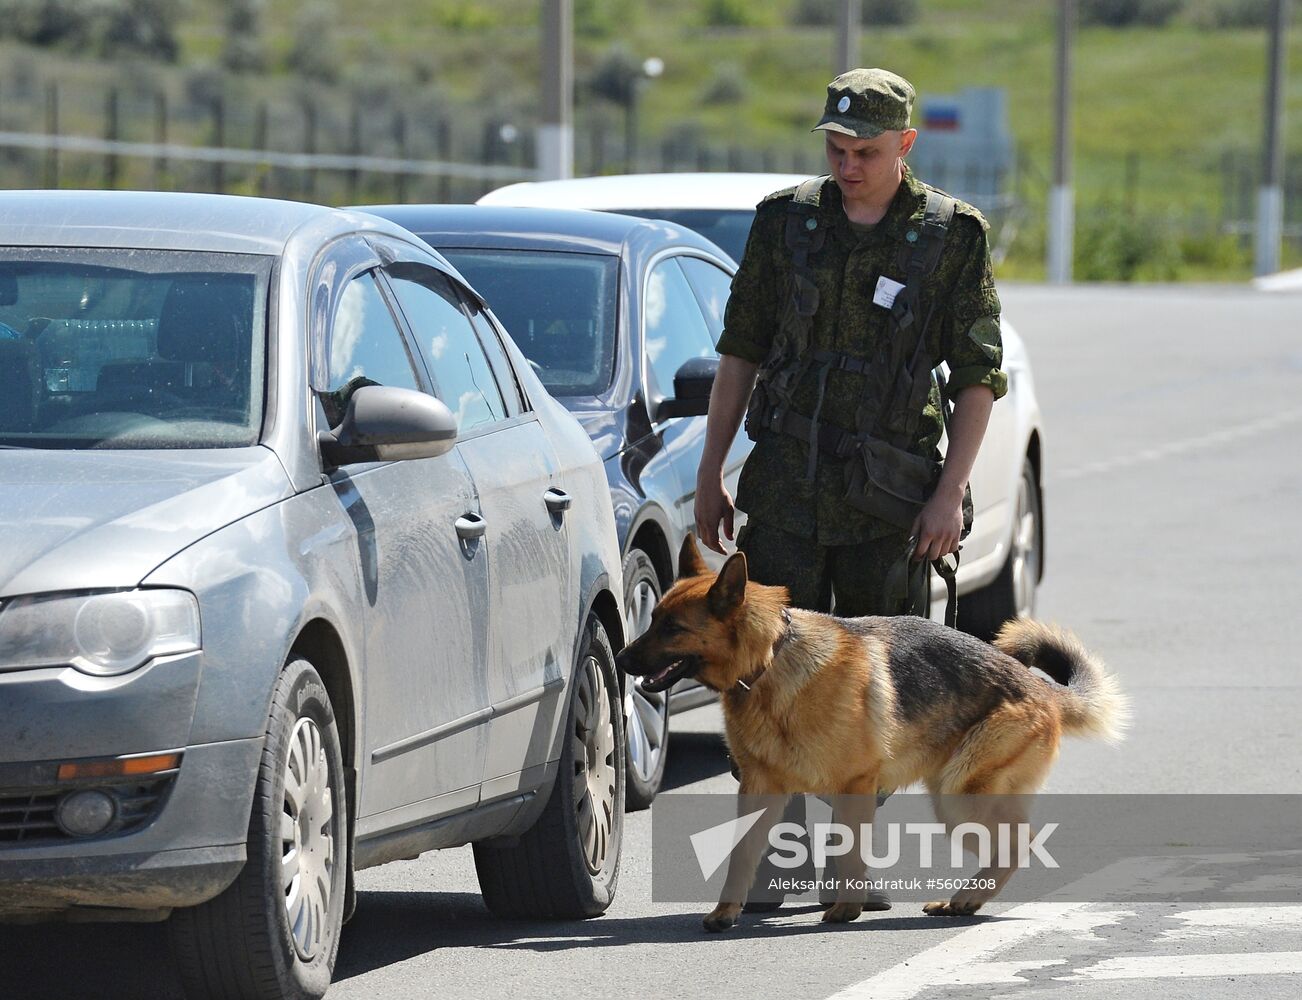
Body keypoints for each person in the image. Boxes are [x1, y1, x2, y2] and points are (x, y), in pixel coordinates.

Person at [693, 67, 1008, 912]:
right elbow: (740, 351)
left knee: (880, 703)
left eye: (865, 151)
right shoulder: (783, 224)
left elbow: (978, 377)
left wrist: (949, 495)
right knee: (762, 680)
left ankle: (852, 867)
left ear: (904, 145)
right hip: (788, 490)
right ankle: (780, 858)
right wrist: (710, 470)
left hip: (888, 504)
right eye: (835, 148)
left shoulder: (952, 236)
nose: (847, 166)